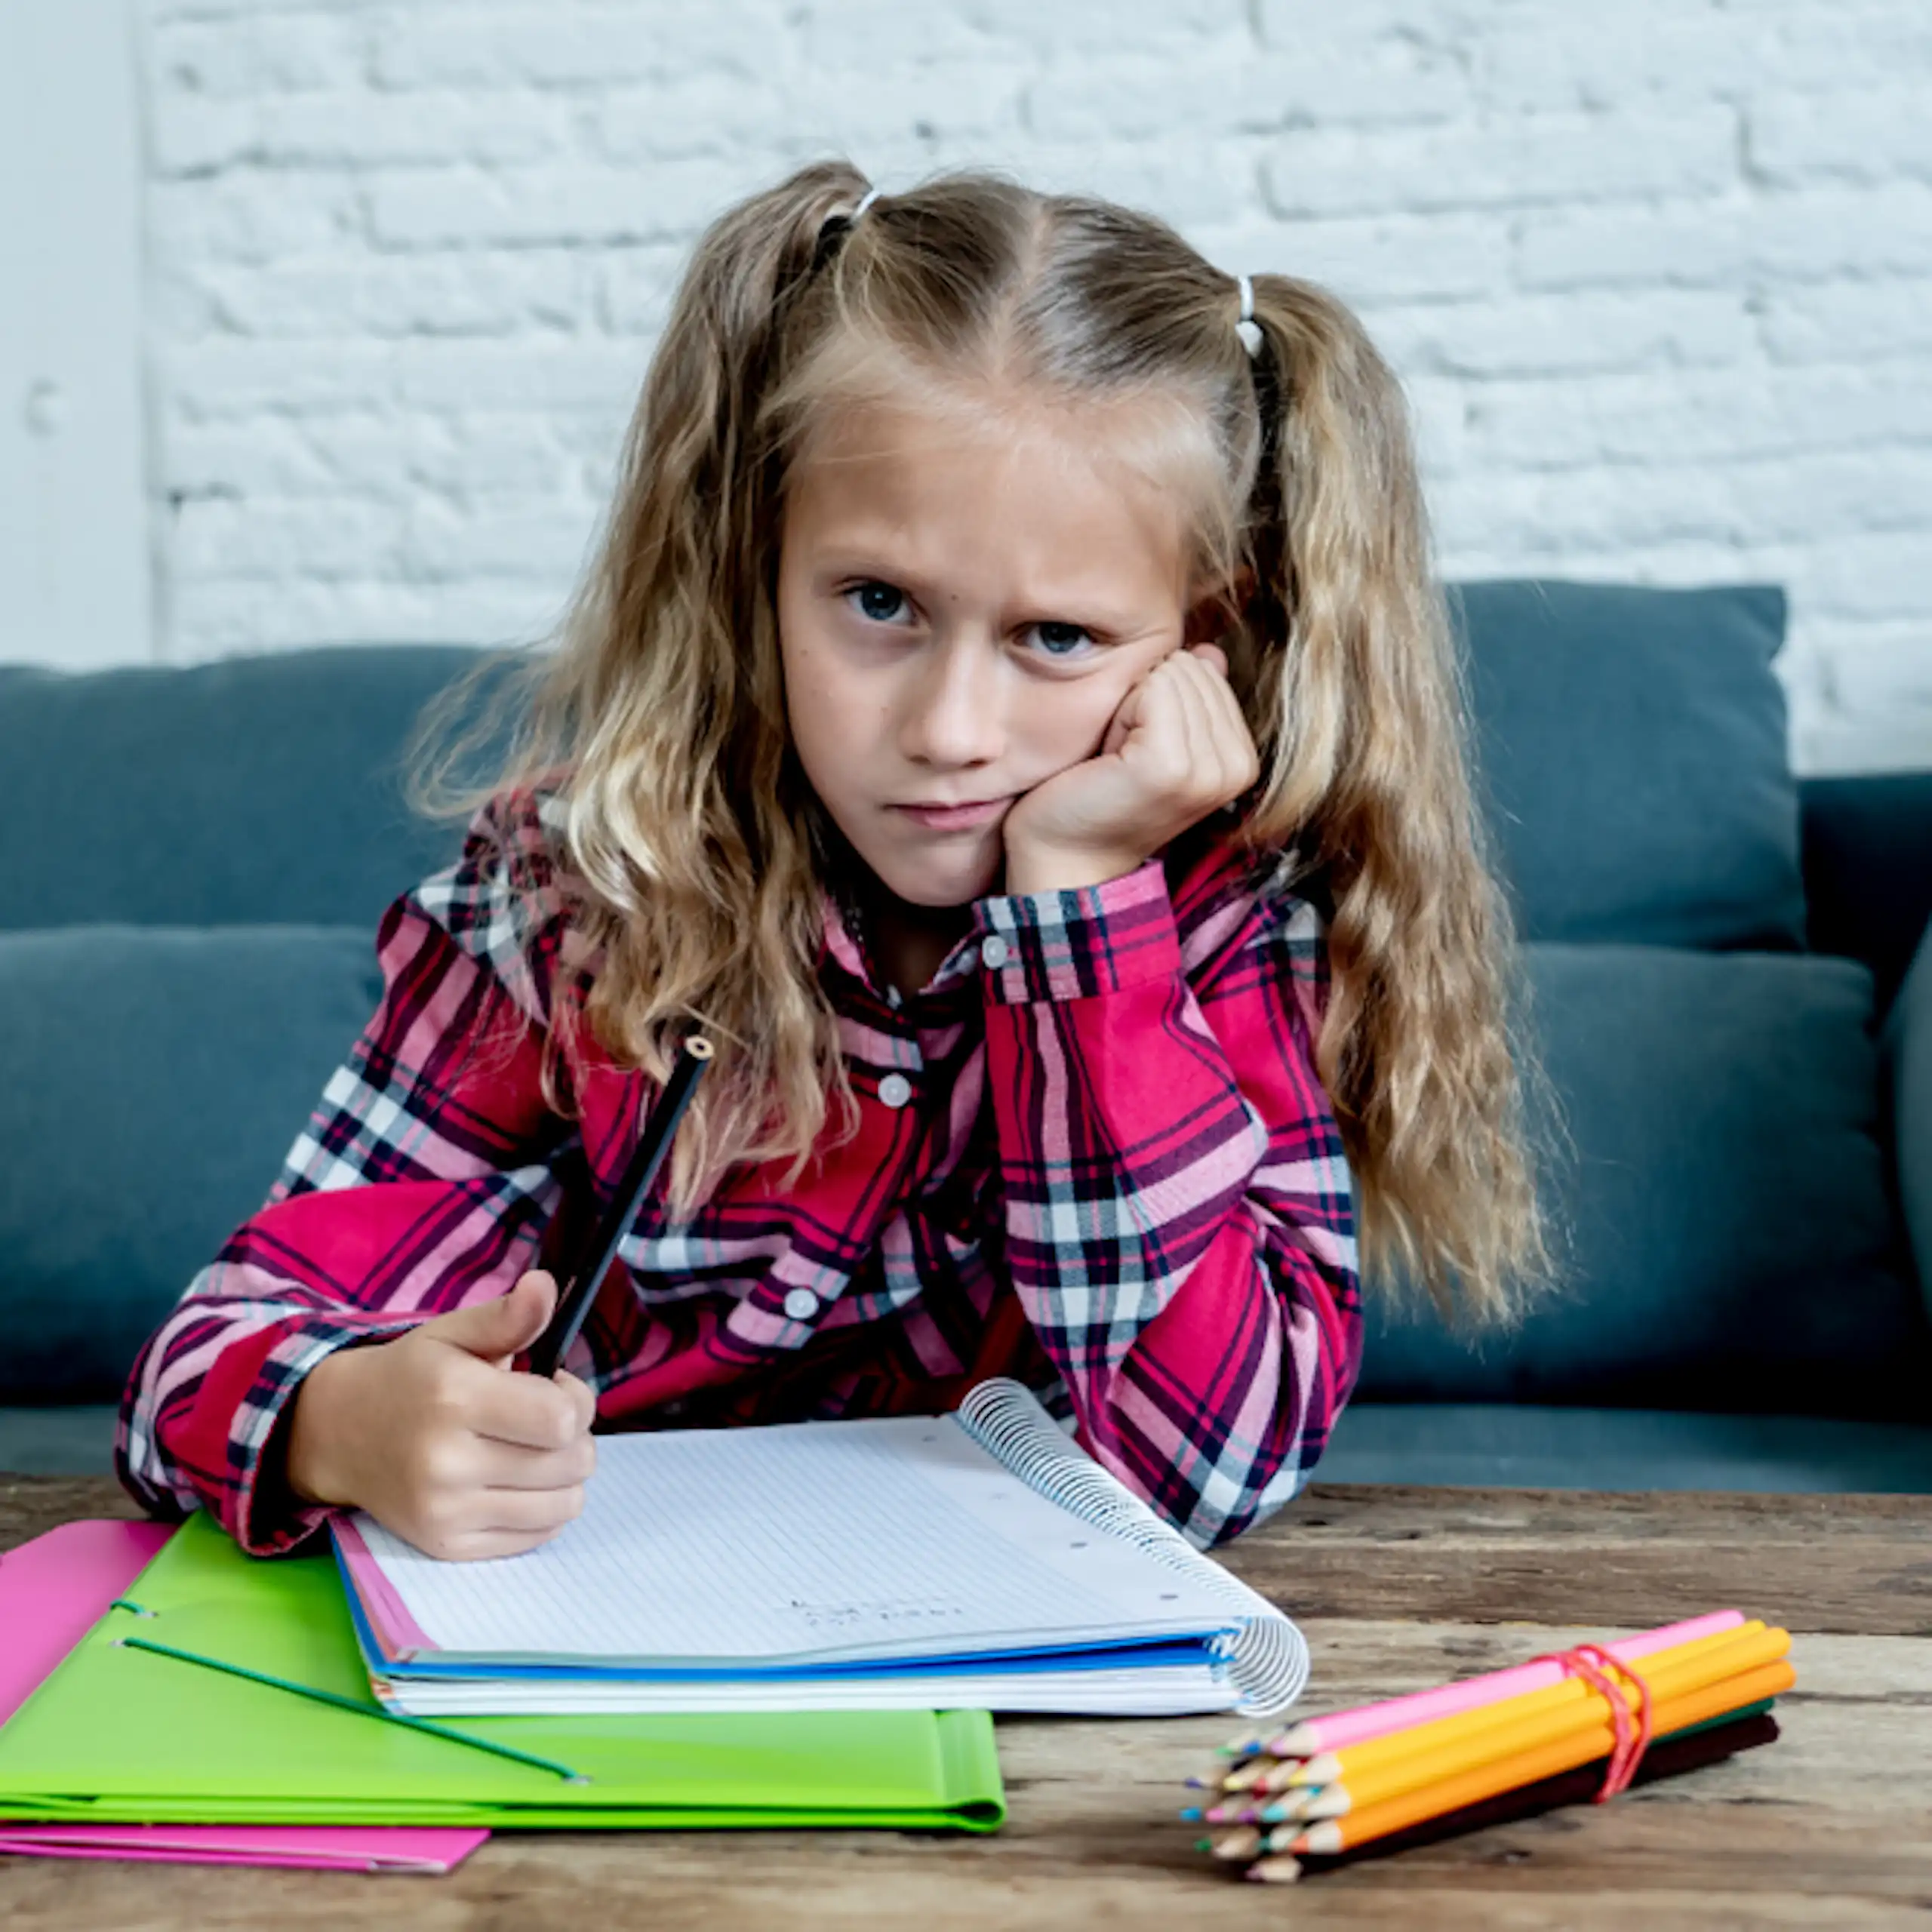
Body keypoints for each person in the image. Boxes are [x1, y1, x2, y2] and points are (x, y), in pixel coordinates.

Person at [116, 160, 1559, 1566]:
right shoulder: (577, 899)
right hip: (586, 1633)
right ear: (761, 560)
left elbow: (1208, 1471)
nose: (947, 731)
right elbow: (203, 1354)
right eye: (879, 603)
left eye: (1055, 638)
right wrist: (336, 1421)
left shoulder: (1225, 932)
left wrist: (1084, 926)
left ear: (1202, 639)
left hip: (1015, 1704)